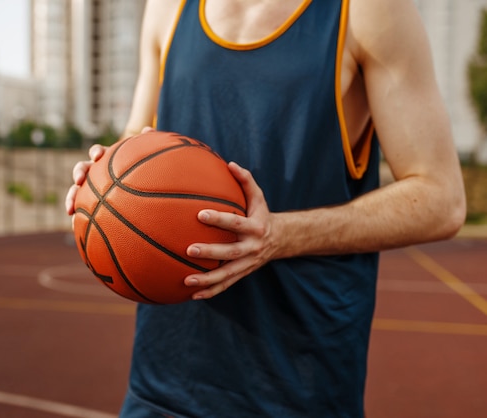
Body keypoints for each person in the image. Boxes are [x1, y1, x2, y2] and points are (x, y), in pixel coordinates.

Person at [66, 0, 466, 416]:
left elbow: (441, 199)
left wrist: (279, 235)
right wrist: (103, 181)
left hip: (298, 384)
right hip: (162, 383)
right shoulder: (168, 8)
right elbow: (138, 137)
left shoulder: (369, 10)